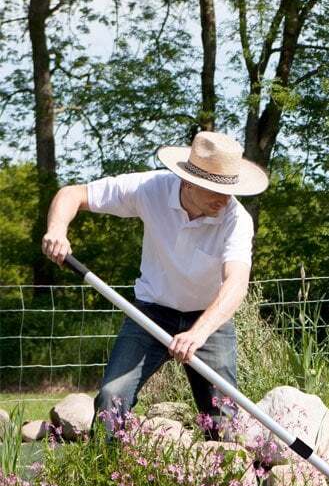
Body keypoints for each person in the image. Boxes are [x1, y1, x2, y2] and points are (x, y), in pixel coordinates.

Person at [41, 130, 269, 437]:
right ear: (189, 181)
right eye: (216, 189)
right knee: (112, 397)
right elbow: (73, 194)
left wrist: (197, 333)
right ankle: (108, 477)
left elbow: (237, 283)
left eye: (229, 189)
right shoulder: (150, 188)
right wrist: (57, 230)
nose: (225, 198)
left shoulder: (236, 220)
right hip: (150, 314)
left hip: (208, 319)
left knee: (223, 418)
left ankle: (227, 483)